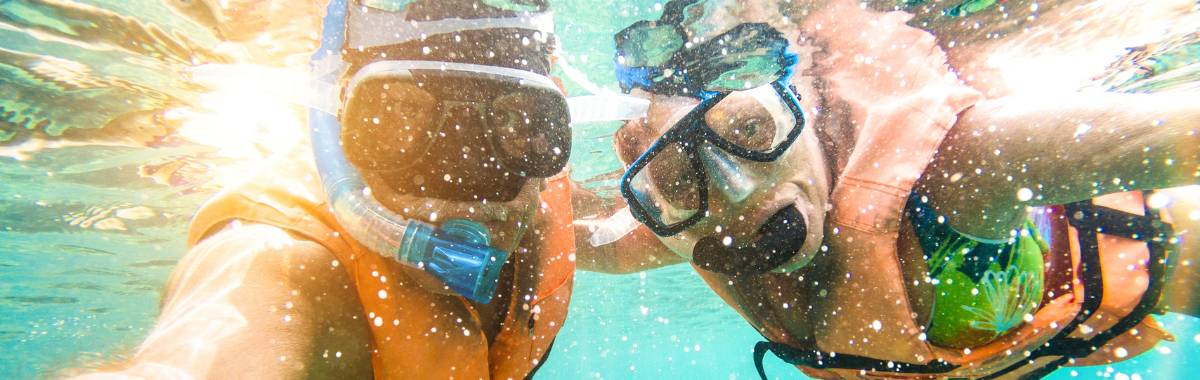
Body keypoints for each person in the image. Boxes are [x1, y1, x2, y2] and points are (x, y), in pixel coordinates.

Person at [572, 0, 1200, 378]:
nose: (733, 191)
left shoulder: (963, 166)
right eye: (685, 175)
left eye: (751, 129)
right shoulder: (703, 224)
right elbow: (592, 242)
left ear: (813, 113)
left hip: (1161, 251)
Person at [78, 0, 576, 378]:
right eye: (400, 119)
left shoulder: (537, 200)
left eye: (517, 122)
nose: (464, 186)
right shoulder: (280, 260)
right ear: (337, 129)